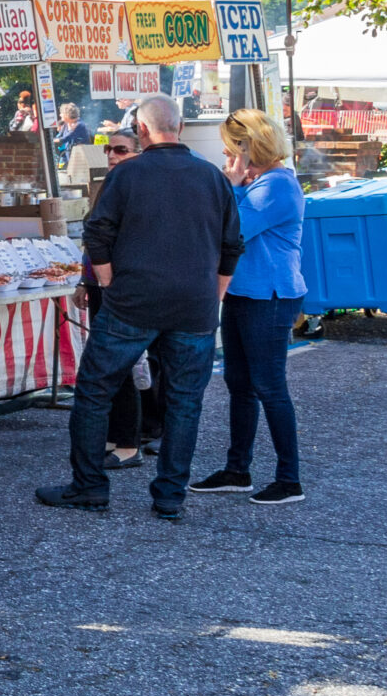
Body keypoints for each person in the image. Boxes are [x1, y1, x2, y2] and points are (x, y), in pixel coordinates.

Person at [38, 97, 244, 520]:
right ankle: (170, 495)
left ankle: (90, 485)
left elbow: (97, 231)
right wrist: (215, 293)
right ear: (181, 127)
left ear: (142, 131)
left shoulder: (129, 174)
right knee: (185, 402)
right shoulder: (212, 177)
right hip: (193, 306)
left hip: (133, 303)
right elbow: (231, 246)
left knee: (95, 391)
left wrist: (109, 280)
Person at [190, 109, 307, 504]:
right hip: (245, 294)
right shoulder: (265, 182)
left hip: (270, 297)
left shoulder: (276, 185)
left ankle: (289, 480)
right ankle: (237, 470)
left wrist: (235, 186)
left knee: (269, 386)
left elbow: (234, 230)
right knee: (240, 384)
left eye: (229, 152)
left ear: (248, 150)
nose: (225, 159)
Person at [75, 129, 153, 473]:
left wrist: (107, 282)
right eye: (108, 149)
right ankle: (114, 435)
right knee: (107, 366)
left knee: (121, 366)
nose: (111, 155)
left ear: (137, 152)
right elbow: (92, 238)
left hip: (119, 287)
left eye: (120, 149)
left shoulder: (137, 185)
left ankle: (128, 443)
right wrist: (84, 278)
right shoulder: (107, 184)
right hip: (98, 285)